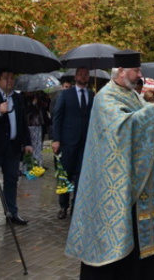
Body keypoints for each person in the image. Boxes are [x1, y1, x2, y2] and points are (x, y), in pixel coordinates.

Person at [65, 50, 154, 279]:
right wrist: (151, 114)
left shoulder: (133, 95)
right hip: (114, 184)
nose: (140, 75)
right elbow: (120, 128)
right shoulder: (105, 97)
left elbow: (141, 119)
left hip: (134, 181)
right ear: (121, 71)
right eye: (136, 71)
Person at [0, 69, 33, 230]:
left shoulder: (17, 98)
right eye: (6, 78)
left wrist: (27, 143)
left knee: (11, 180)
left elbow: (23, 122)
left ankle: (12, 212)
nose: (10, 81)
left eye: (12, 78)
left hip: (13, 147)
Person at [51, 66, 94, 220]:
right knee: (65, 175)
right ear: (75, 77)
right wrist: (56, 140)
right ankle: (63, 206)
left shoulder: (92, 95)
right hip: (67, 142)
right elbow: (57, 117)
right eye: (80, 74)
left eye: (85, 74)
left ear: (88, 77)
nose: (83, 77)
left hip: (85, 143)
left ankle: (76, 206)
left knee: (81, 176)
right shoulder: (65, 94)